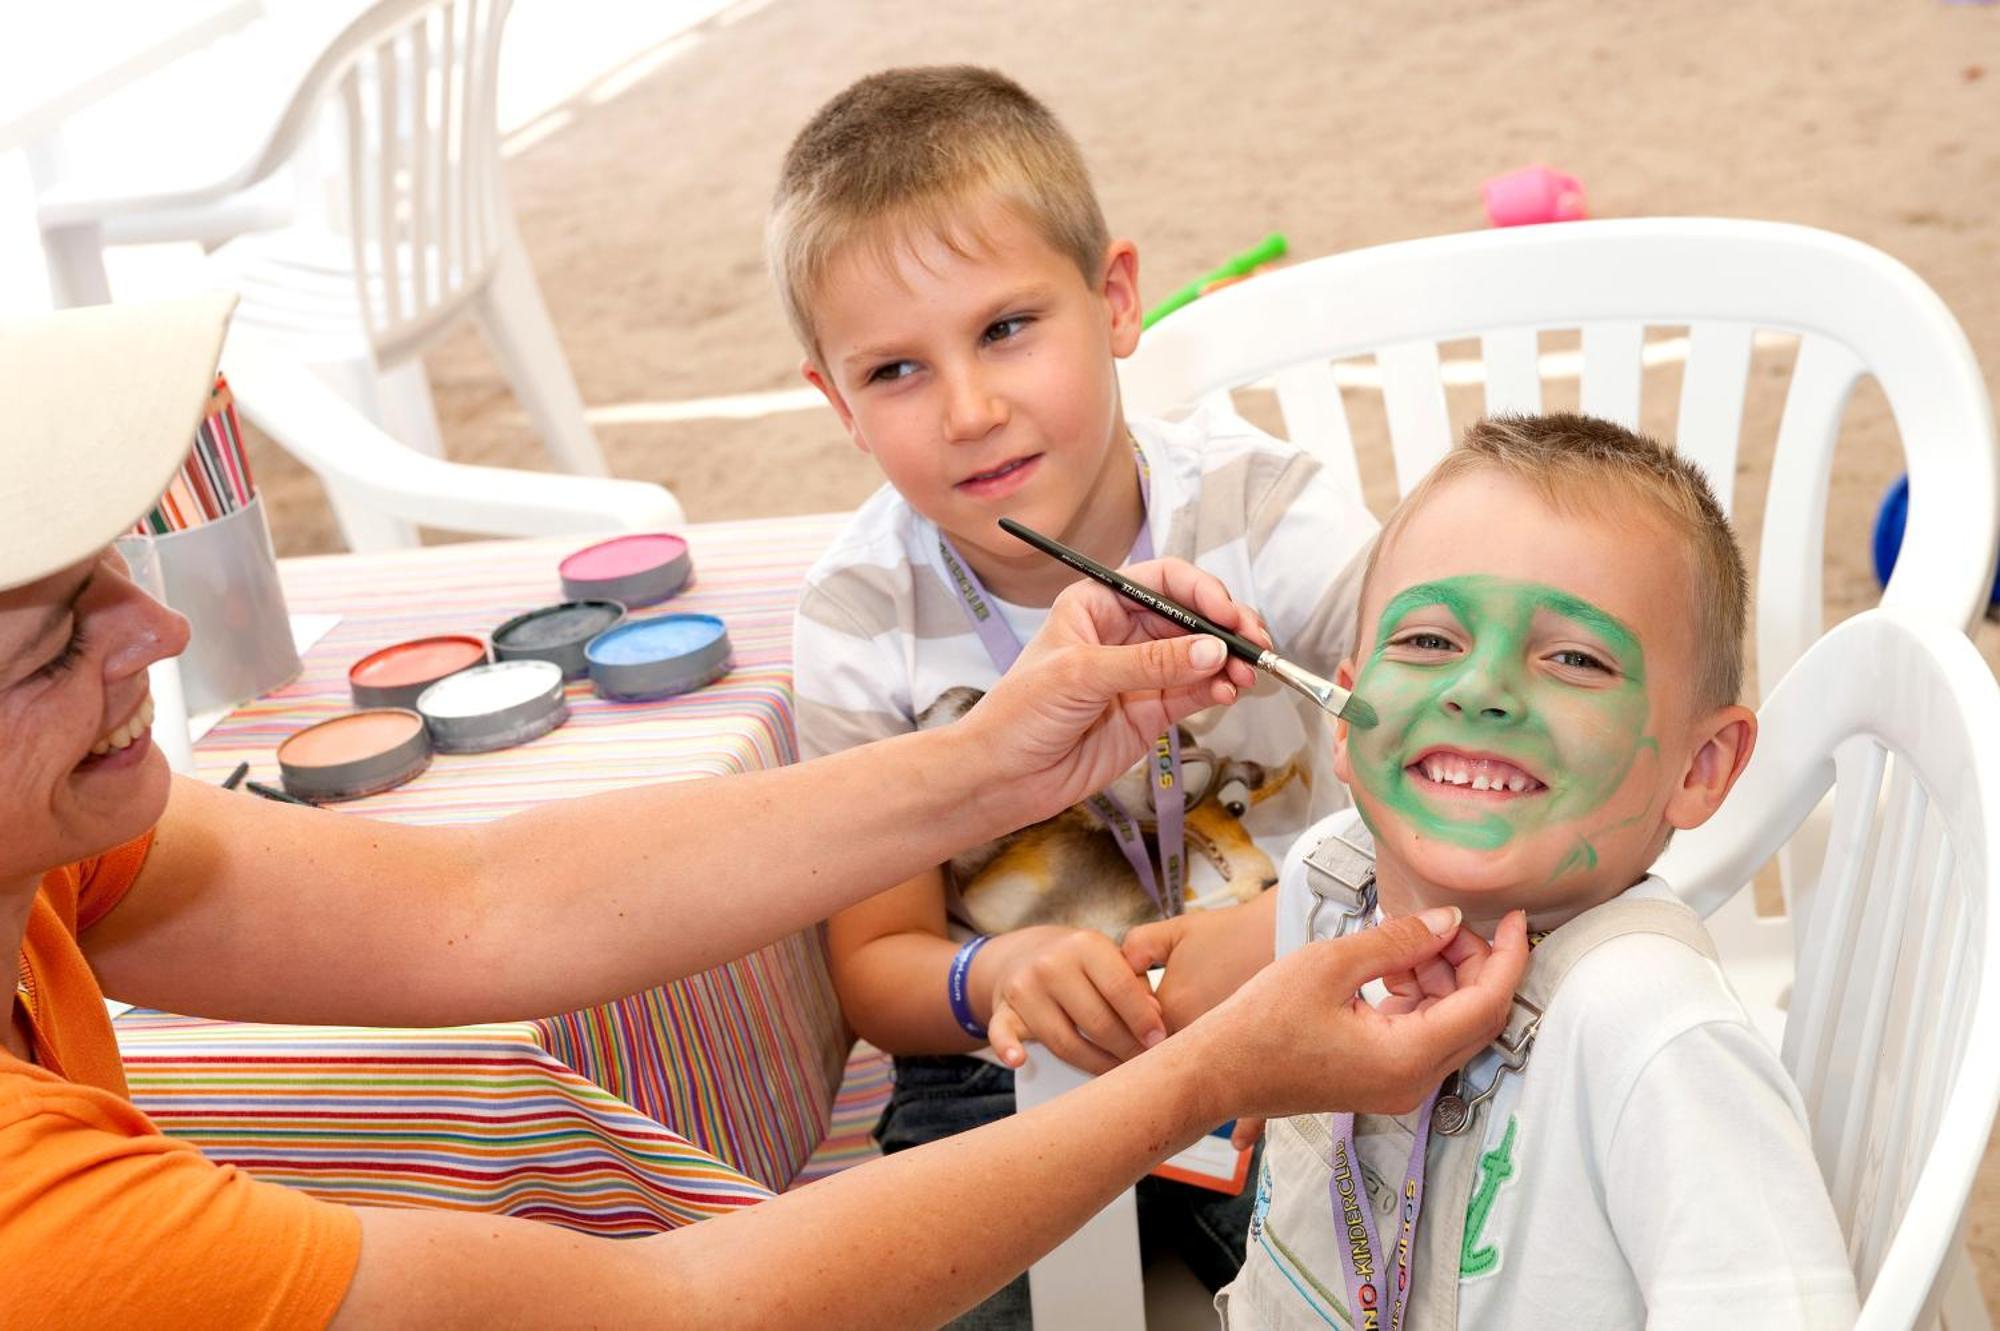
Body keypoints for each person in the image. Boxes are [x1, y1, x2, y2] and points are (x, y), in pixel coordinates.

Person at [0, 293, 1529, 1329]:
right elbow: (676, 1306)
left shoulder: (56, 839)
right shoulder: (52, 1230)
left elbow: (472, 906)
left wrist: (996, 762)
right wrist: (1209, 1066)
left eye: (111, 571)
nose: (160, 634)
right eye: (55, 638)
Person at [771, 66, 1377, 1320]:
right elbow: (875, 965)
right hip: (1000, 1065)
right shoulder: (851, 617)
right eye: (894, 371)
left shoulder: (1273, 511)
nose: (971, 410)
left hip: (1285, 1002)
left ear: (1112, 299)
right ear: (833, 402)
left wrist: (1285, 939)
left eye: (1004, 328)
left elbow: (1414, 722)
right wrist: (999, 976)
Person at [1150, 414, 1856, 1327]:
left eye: (1574, 658)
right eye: (1429, 642)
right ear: (1344, 705)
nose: (1479, 688)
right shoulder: (1329, 879)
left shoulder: (1651, 1029)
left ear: (1701, 766)